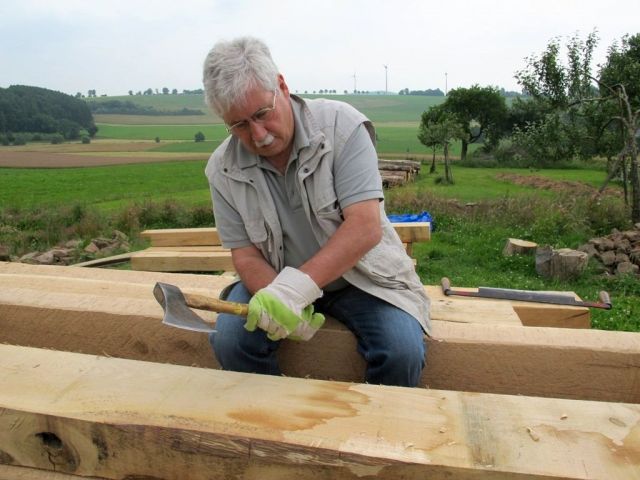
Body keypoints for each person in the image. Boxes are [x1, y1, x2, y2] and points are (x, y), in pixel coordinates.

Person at [202, 36, 431, 387]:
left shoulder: (342, 127)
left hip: (360, 279)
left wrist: (296, 289)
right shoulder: (222, 168)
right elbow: (245, 255)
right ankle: (277, 419)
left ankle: (372, 422)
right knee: (232, 342)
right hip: (274, 279)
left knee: (401, 352)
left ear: (281, 86)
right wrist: (278, 295)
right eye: (240, 125)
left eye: (262, 114)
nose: (259, 135)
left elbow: (365, 226)